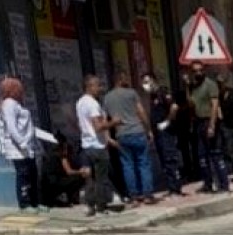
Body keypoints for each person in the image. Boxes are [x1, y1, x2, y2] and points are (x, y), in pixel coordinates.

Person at [104, 71, 157, 206]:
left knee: (127, 166)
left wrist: (108, 137)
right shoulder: (131, 93)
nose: (127, 80)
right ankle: (147, 195)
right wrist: (149, 129)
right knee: (143, 163)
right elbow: (141, 112)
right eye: (125, 78)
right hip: (137, 132)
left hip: (121, 135)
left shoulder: (107, 98)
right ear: (120, 79)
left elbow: (105, 119)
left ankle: (133, 196)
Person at [76, 75, 122, 216]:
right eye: (97, 85)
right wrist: (114, 122)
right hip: (97, 146)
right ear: (89, 87)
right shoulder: (92, 104)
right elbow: (98, 127)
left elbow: (81, 124)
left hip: (87, 145)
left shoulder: (80, 102)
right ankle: (101, 207)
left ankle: (90, 206)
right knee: (101, 178)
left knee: (89, 178)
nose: (100, 88)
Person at [0, 77, 44, 212]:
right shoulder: (9, 104)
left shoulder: (18, 104)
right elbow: (12, 127)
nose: (22, 90)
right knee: (23, 174)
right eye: (18, 87)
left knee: (32, 173)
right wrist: (22, 142)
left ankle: (35, 202)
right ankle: (24, 204)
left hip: (28, 145)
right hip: (19, 147)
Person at [188, 61, 228, 194]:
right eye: (195, 71)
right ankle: (208, 184)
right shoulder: (194, 86)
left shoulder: (210, 85)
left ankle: (223, 185)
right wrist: (186, 86)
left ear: (204, 70)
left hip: (209, 121)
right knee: (202, 156)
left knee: (215, 154)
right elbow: (191, 103)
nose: (198, 73)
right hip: (199, 123)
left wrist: (212, 125)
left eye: (200, 70)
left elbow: (215, 105)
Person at [143, 73, 185, 197]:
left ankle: (176, 188)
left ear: (154, 81)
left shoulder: (162, 92)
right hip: (159, 133)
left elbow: (174, 107)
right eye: (144, 83)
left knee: (171, 159)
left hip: (167, 132)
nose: (146, 85)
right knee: (164, 161)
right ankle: (171, 187)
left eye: (147, 81)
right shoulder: (152, 96)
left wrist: (167, 122)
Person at [41, 132, 89, 207]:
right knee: (80, 177)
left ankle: (65, 197)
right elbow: (69, 171)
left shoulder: (50, 155)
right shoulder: (59, 156)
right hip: (53, 184)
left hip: (49, 184)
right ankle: (66, 197)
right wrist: (81, 171)